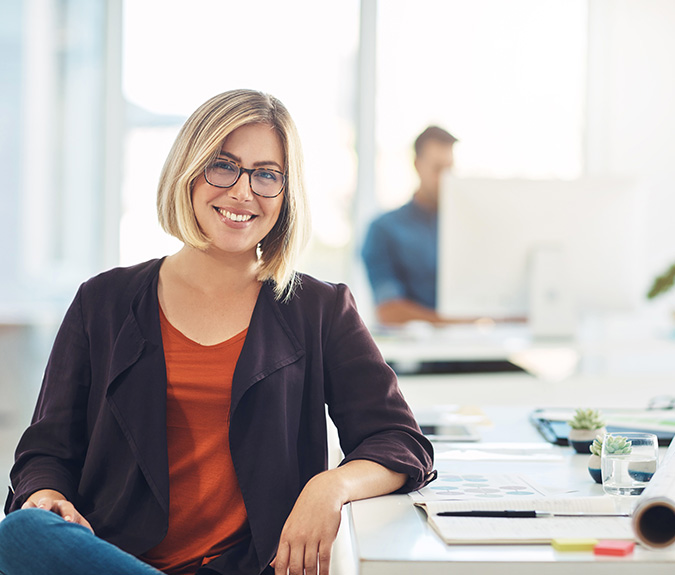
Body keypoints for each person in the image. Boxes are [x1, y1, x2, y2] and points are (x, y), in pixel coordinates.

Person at [0, 89, 435, 575]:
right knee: (21, 533)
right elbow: (45, 451)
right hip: (114, 558)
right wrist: (47, 495)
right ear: (188, 170)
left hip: (248, 567)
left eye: (267, 174)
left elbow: (399, 440)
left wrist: (328, 487)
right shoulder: (102, 300)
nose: (243, 191)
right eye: (223, 165)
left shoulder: (320, 308)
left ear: (286, 193)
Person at [362, 125, 457, 325]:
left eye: (450, 169)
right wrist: (457, 322)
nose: (445, 179)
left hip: (475, 345)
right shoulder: (384, 229)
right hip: (414, 352)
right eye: (438, 169)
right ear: (417, 165)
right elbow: (389, 311)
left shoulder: (465, 230)